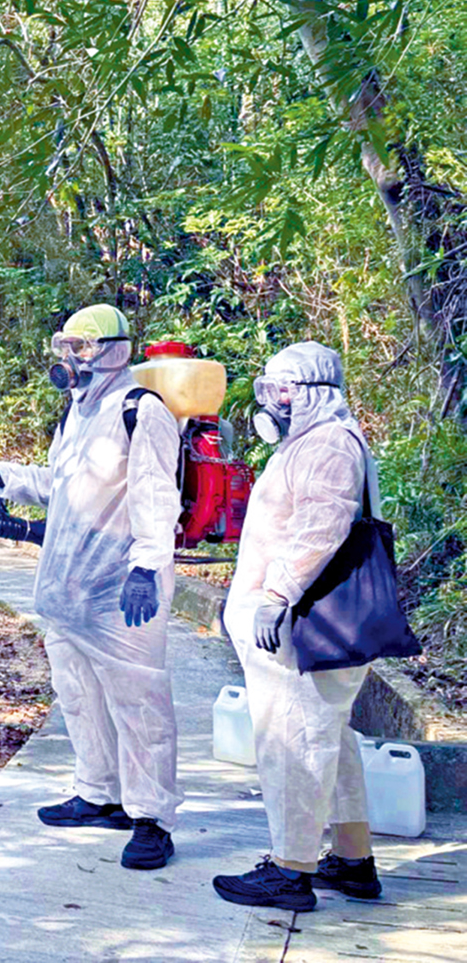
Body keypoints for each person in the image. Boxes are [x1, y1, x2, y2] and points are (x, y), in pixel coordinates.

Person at [0, 304, 184, 870]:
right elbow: (59, 484)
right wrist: (3, 476)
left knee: (139, 704)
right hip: (68, 590)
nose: (70, 358)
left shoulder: (141, 410)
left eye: (81, 347)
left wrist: (146, 568)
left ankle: (151, 819)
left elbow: (157, 495)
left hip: (121, 593)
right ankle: (98, 793)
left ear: (114, 351)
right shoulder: (78, 411)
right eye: (64, 346)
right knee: (79, 695)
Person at [212, 341, 380, 912]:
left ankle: (290, 870)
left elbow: (321, 526)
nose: (274, 402)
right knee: (329, 737)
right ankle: (353, 860)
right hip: (304, 622)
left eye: (284, 390)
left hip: (300, 624)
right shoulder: (312, 441)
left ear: (314, 392)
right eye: (269, 389)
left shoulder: (329, 443)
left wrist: (276, 596)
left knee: (292, 742)